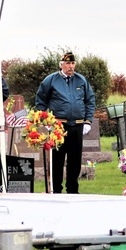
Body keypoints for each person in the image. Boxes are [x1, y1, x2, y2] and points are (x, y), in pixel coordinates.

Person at [34, 52, 96, 194]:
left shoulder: (81, 80)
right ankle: (56, 189)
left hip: (78, 125)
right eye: (67, 63)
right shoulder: (51, 80)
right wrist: (45, 120)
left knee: (75, 159)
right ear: (61, 64)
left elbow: (90, 101)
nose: (70, 66)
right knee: (57, 159)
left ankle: (73, 189)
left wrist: (88, 121)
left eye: (73, 63)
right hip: (59, 126)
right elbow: (40, 101)